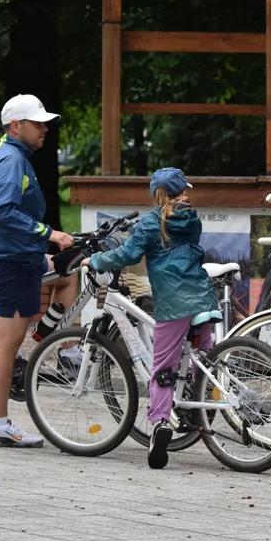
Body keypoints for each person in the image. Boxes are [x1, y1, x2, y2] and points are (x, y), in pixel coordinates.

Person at [83, 167, 219, 470]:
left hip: (172, 302)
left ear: (157, 194)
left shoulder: (150, 223)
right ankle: (202, 405)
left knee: (164, 365)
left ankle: (159, 423)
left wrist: (95, 259)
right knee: (203, 354)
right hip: (202, 294)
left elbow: (128, 255)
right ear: (182, 191)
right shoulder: (192, 218)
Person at [0, 94, 78, 448]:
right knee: (7, 345)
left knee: (69, 274)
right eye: (37, 123)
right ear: (16, 126)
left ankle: (51, 344)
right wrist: (49, 233)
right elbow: (3, 211)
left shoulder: (14, 154)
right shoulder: (9, 160)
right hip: (9, 261)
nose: (45, 128)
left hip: (19, 255)